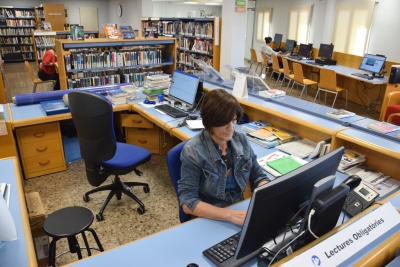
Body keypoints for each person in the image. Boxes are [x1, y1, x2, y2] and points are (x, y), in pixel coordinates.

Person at [178, 89, 270, 226]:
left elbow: (259, 177)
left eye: (233, 120)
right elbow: (188, 202)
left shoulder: (241, 140)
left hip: (239, 211)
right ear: (210, 122)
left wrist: (267, 197)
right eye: (224, 122)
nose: (231, 127)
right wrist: (230, 215)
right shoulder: (193, 151)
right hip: (210, 217)